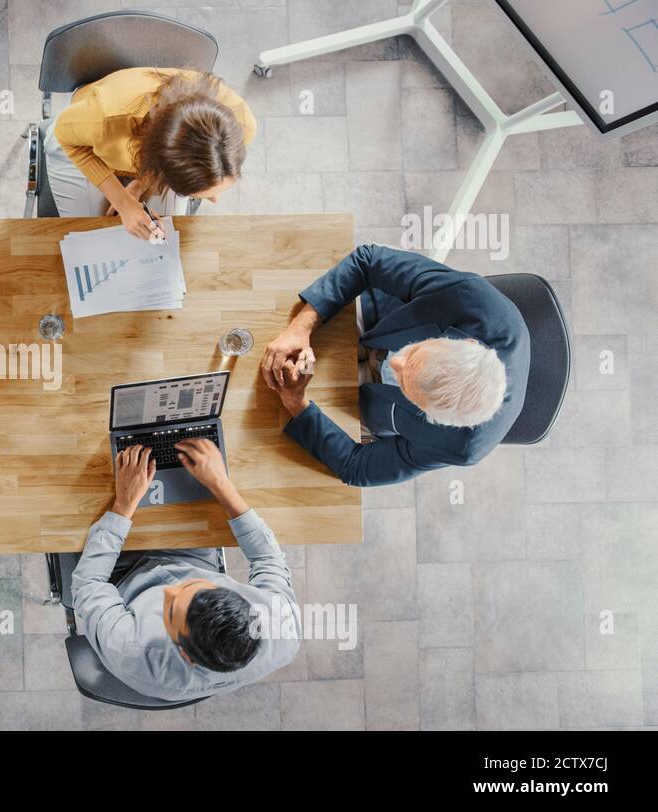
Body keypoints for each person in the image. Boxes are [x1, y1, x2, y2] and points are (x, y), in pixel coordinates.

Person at [262, 243, 530, 487]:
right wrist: (302, 326)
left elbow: (357, 467)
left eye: (406, 384)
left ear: (435, 418)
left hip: (373, 401)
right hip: (376, 324)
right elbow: (368, 260)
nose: (397, 362)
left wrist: (297, 403)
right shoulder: (476, 300)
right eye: (415, 353)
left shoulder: (463, 446)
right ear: (467, 342)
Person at [71, 440, 300, 701]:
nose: (176, 587)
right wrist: (220, 483)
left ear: (184, 652)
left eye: (174, 603)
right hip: (194, 558)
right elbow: (268, 558)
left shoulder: (132, 651)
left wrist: (124, 504)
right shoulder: (282, 630)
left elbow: (88, 584)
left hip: (122, 575)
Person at [45, 67, 256, 239]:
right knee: (88, 235)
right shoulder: (103, 120)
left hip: (151, 157)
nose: (215, 200)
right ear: (157, 166)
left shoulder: (241, 123)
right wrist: (123, 203)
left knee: (164, 230)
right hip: (76, 144)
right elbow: (64, 137)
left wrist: (139, 185)